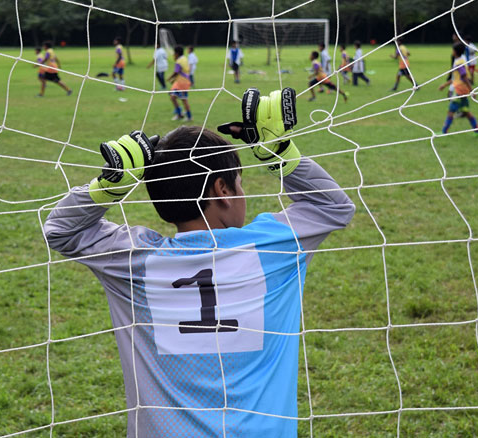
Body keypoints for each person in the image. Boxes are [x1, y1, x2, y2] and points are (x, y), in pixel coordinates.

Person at [43, 87, 355, 438]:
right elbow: (333, 207)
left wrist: (107, 188)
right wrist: (279, 153)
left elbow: (60, 231)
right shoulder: (272, 246)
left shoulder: (137, 261)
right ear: (222, 190)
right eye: (240, 183)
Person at [438, 43, 478, 137]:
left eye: (452, 50)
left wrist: (472, 90)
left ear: (455, 52)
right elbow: (456, 77)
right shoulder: (461, 60)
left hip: (459, 90)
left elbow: (464, 77)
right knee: (466, 112)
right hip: (463, 90)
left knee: (451, 111)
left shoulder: (459, 63)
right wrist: (444, 85)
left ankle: (443, 132)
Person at [168, 46, 192, 121]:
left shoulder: (179, 61)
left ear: (177, 53)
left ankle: (189, 116)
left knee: (184, 100)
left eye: (174, 53)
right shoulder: (185, 59)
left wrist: (170, 78)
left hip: (182, 83)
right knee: (172, 97)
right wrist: (174, 80)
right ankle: (179, 114)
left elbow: (176, 72)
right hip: (182, 82)